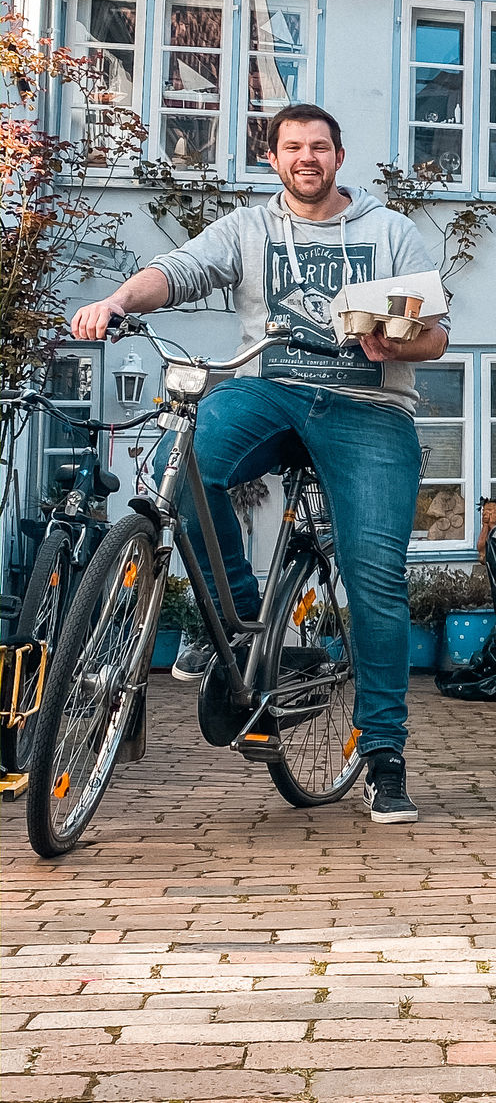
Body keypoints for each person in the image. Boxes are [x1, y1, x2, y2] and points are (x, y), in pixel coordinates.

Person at [70, 103, 447, 824]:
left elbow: (435, 336)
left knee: (373, 573)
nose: (307, 158)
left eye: (320, 147)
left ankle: (385, 754)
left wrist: (399, 345)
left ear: (341, 156)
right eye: (293, 147)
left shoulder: (390, 230)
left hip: (369, 409)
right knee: (183, 456)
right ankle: (239, 616)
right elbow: (179, 270)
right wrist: (119, 299)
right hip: (269, 393)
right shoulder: (249, 228)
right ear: (272, 159)